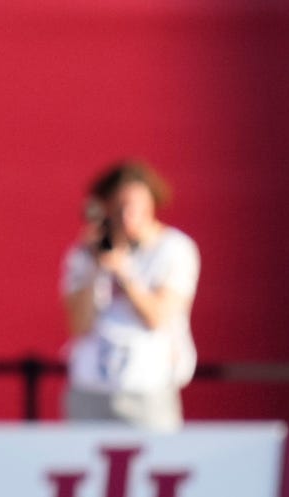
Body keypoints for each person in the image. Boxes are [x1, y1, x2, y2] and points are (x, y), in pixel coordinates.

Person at [60, 159, 200, 430]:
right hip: (91, 387)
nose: (127, 216)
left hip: (146, 387)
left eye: (134, 206)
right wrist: (96, 266)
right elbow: (78, 324)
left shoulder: (174, 249)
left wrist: (124, 273)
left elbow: (158, 316)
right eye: (119, 207)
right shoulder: (85, 256)